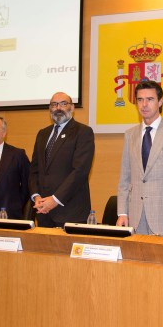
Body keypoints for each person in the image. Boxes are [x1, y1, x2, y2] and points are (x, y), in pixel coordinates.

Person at [116, 80, 163, 235]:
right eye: (140, 100)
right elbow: (125, 178)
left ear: (160, 102)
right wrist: (122, 213)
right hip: (135, 217)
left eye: (150, 99)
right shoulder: (130, 135)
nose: (144, 104)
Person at [29, 92, 95, 228]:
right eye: (54, 104)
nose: (58, 108)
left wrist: (54, 200)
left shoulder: (83, 132)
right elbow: (34, 170)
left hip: (70, 212)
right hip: (42, 211)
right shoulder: (42, 134)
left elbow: (80, 172)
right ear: (50, 109)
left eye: (63, 104)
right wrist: (36, 196)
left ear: (72, 108)